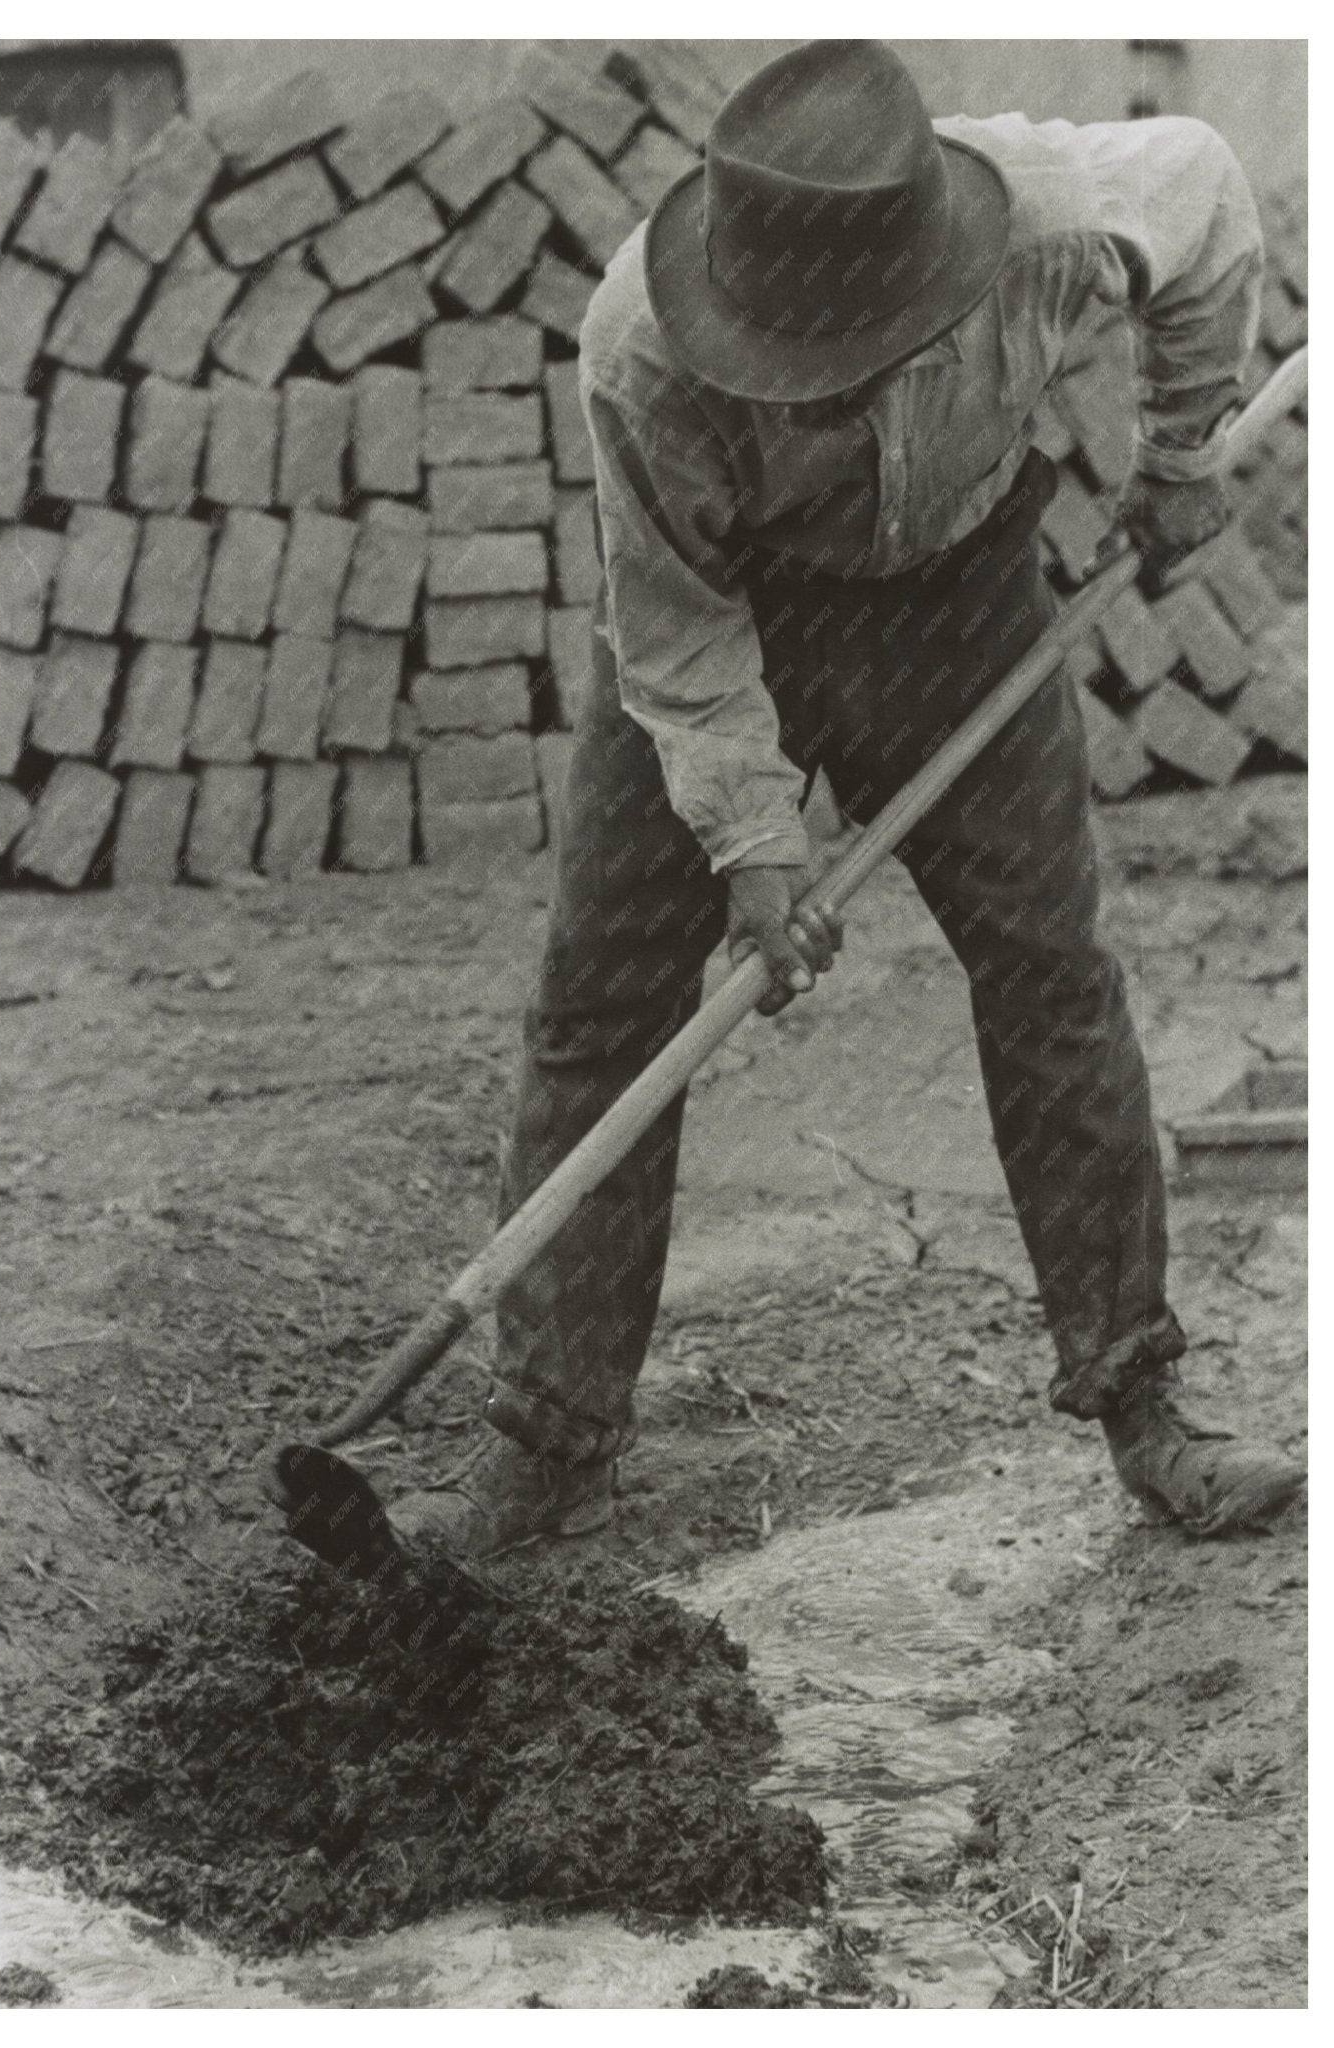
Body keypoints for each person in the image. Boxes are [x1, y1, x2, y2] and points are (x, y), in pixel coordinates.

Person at [402, 40, 1305, 1557]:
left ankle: (1144, 1410)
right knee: (600, 1007)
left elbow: (1209, 197)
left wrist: (1180, 450)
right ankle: (549, 1445)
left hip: (959, 597)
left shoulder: (1054, 212)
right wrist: (755, 842)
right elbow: (676, 638)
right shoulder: (636, 343)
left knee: (1049, 979)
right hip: (727, 612)